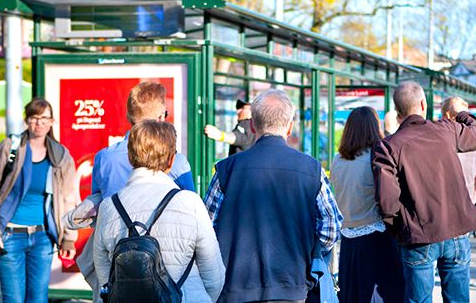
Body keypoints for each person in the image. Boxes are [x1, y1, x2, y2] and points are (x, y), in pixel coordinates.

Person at [205, 89, 342, 302]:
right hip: (292, 285)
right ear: (290, 127)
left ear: (252, 125)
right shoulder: (312, 170)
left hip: (235, 288)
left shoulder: (226, 170)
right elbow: (331, 228)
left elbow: (207, 228)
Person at [372, 81, 476, 302]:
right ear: (423, 104)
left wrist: (402, 229)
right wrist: (460, 112)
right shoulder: (446, 129)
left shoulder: (388, 147)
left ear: (397, 111)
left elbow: (387, 203)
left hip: (418, 234)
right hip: (457, 230)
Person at [93, 120, 225, 302]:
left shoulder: (109, 206)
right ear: (171, 160)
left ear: (130, 157)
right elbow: (214, 275)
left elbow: (104, 271)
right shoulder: (190, 202)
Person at [0, 97, 78, 302]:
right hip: (9, 237)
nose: (40, 123)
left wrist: (68, 238)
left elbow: (68, 199)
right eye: (35, 118)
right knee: (14, 300)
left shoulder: (61, 155)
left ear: (52, 121)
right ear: (27, 121)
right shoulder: (10, 148)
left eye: (45, 118)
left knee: (38, 299)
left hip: (42, 239)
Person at [329, 106, 404, 302]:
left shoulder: (337, 160)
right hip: (376, 238)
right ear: (373, 127)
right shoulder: (376, 159)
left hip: (348, 240)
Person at [92, 81, 195, 199]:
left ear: (128, 117)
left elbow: (95, 205)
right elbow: (191, 205)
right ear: (160, 118)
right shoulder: (176, 161)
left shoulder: (104, 158)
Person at [442, 97, 476, 203]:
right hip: (467, 204)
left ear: (447, 115)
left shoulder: (440, 141)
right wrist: (470, 204)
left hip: (442, 206)